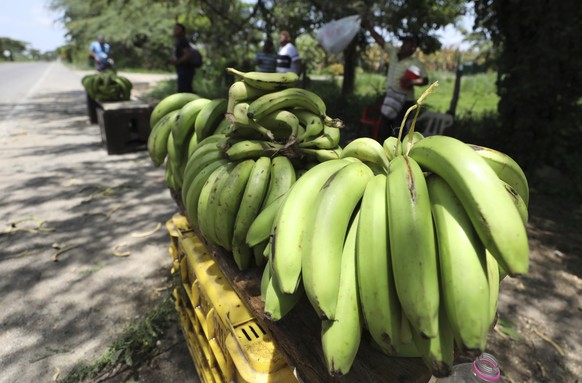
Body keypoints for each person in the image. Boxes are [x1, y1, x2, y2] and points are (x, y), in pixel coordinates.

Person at [362, 20, 428, 141]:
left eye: (407, 43)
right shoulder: (394, 53)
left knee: (398, 129)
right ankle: (383, 152)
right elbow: (381, 41)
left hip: (405, 101)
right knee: (384, 126)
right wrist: (368, 26)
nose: (403, 45)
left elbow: (425, 80)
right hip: (390, 96)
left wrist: (412, 82)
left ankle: (398, 156)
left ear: (413, 48)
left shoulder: (416, 63)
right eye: (403, 42)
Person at [170, 23, 196, 93]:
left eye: (176, 29)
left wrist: (178, 61)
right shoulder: (179, 40)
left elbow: (188, 54)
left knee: (184, 91)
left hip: (186, 70)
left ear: (181, 30)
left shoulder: (182, 40)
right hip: (182, 69)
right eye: (174, 29)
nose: (174, 31)